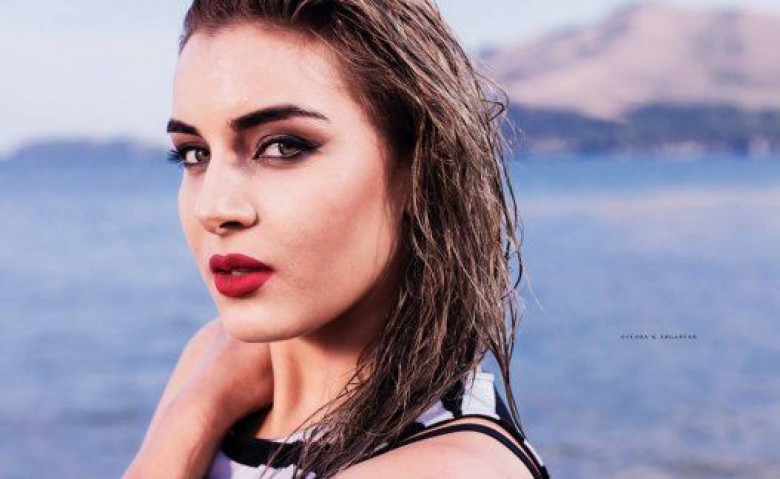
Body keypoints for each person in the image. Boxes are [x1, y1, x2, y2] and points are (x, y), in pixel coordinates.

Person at [124, 0, 550, 478]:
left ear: (419, 166)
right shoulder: (212, 360)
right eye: (194, 154)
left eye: (283, 147)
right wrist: (201, 404)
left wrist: (188, 420)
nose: (214, 208)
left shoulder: (448, 469)